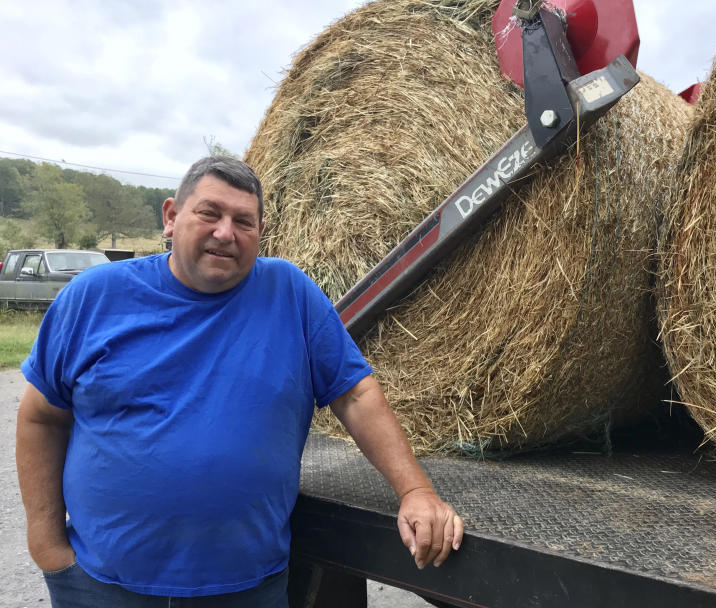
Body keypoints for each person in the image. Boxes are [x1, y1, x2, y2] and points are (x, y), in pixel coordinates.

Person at [16, 156, 463, 607]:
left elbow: (356, 395)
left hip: (246, 589)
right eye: (209, 213)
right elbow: (40, 419)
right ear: (171, 217)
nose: (225, 232)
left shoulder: (290, 294)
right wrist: (48, 547)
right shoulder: (94, 297)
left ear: (260, 233)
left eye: (243, 221)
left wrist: (416, 491)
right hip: (102, 588)